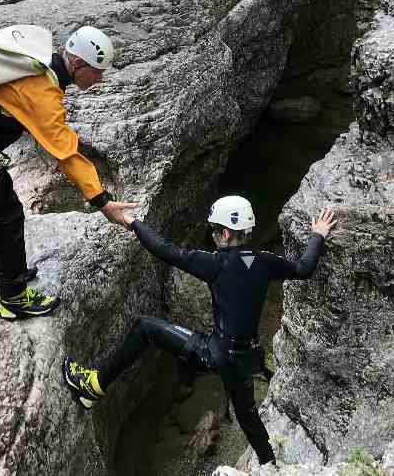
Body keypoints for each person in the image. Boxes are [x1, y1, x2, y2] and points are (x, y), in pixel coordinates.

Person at [63, 196, 336, 466]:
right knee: (248, 418)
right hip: (244, 361)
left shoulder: (215, 263)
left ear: (226, 233)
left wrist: (132, 222)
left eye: (215, 231)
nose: (214, 236)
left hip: (214, 353)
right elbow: (304, 268)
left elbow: (165, 250)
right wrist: (318, 235)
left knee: (146, 327)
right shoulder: (264, 261)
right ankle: (270, 465)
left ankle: (93, 386)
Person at [0, 25, 137, 320]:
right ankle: (14, 299)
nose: (100, 78)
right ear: (78, 63)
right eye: (97, 71)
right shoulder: (42, 91)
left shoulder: (39, 67)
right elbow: (66, 153)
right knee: (7, 216)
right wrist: (102, 202)